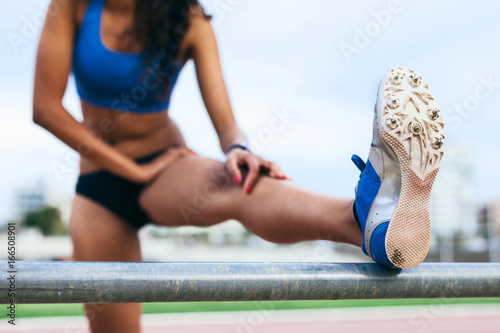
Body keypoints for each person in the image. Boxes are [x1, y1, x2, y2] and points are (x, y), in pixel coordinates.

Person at [33, 0, 445, 332]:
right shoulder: (72, 6)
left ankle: (367, 223)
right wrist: (130, 169)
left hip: (164, 165)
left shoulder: (189, 17)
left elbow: (226, 120)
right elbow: (46, 108)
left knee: (240, 180)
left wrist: (238, 148)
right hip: (99, 188)